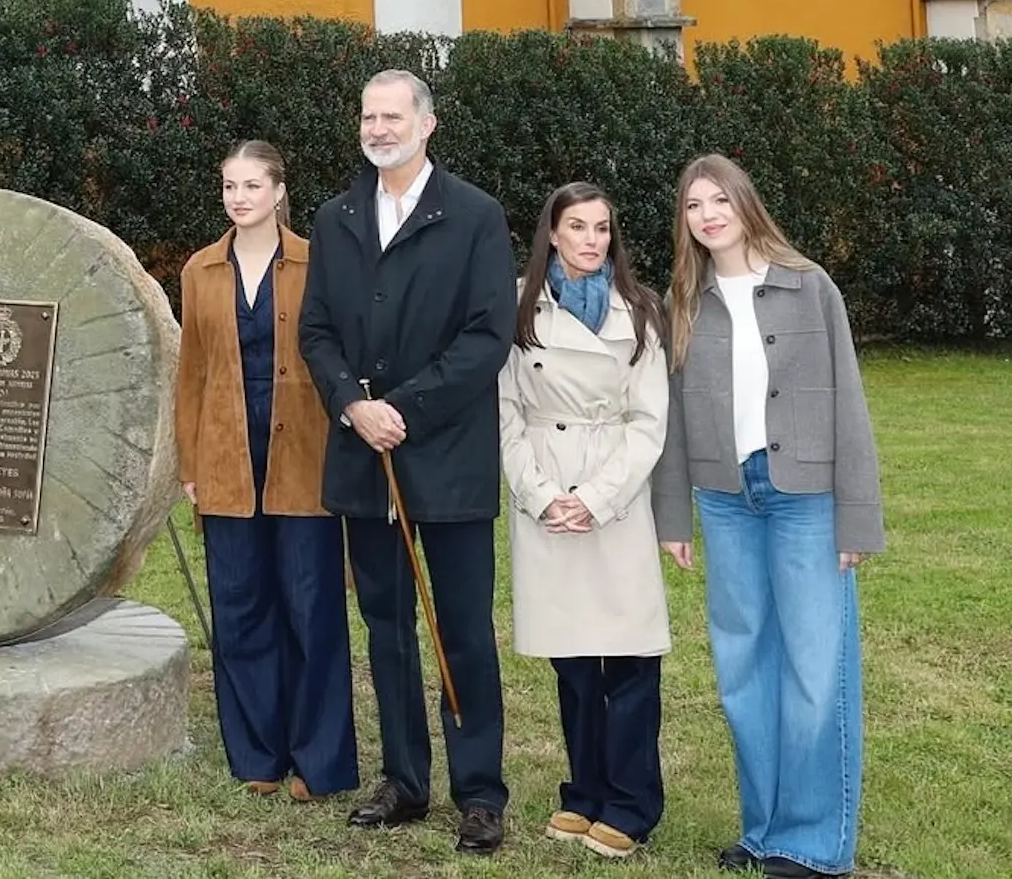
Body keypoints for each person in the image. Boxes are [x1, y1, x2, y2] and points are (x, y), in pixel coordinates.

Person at [298, 69, 517, 855]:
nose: (379, 127)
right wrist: (354, 408)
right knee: (385, 625)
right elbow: (316, 330)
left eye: (393, 115)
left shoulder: (475, 217)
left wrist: (406, 409)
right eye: (368, 114)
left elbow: (488, 336)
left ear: (428, 124)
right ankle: (403, 780)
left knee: (461, 629)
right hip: (364, 459)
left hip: (449, 458)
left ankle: (481, 793)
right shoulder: (337, 217)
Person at [651, 153, 885, 879]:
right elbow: (675, 416)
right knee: (742, 669)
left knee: (817, 669)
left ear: (745, 203)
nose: (708, 215)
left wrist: (857, 519)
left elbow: (849, 400)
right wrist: (674, 515)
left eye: (719, 200)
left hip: (805, 498)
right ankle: (765, 831)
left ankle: (814, 845)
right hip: (726, 499)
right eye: (694, 206)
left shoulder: (809, 286)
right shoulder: (685, 299)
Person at [174, 140, 359, 803]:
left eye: (253, 185)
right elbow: (191, 371)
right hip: (227, 459)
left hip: (303, 459)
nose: (240, 197)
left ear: (280, 191)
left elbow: (343, 356)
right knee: (241, 607)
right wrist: (191, 460)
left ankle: (319, 761)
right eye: (230, 186)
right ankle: (257, 754)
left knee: (311, 609)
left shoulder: (319, 262)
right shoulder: (200, 270)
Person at [498, 181, 672, 860]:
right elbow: (505, 411)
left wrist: (596, 498)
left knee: (628, 656)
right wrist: (542, 495)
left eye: (602, 228)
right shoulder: (518, 308)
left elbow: (648, 421)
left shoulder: (643, 311)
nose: (592, 240)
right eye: (578, 227)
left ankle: (632, 802)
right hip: (544, 484)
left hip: (614, 495)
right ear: (551, 234)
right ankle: (585, 793)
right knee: (573, 659)